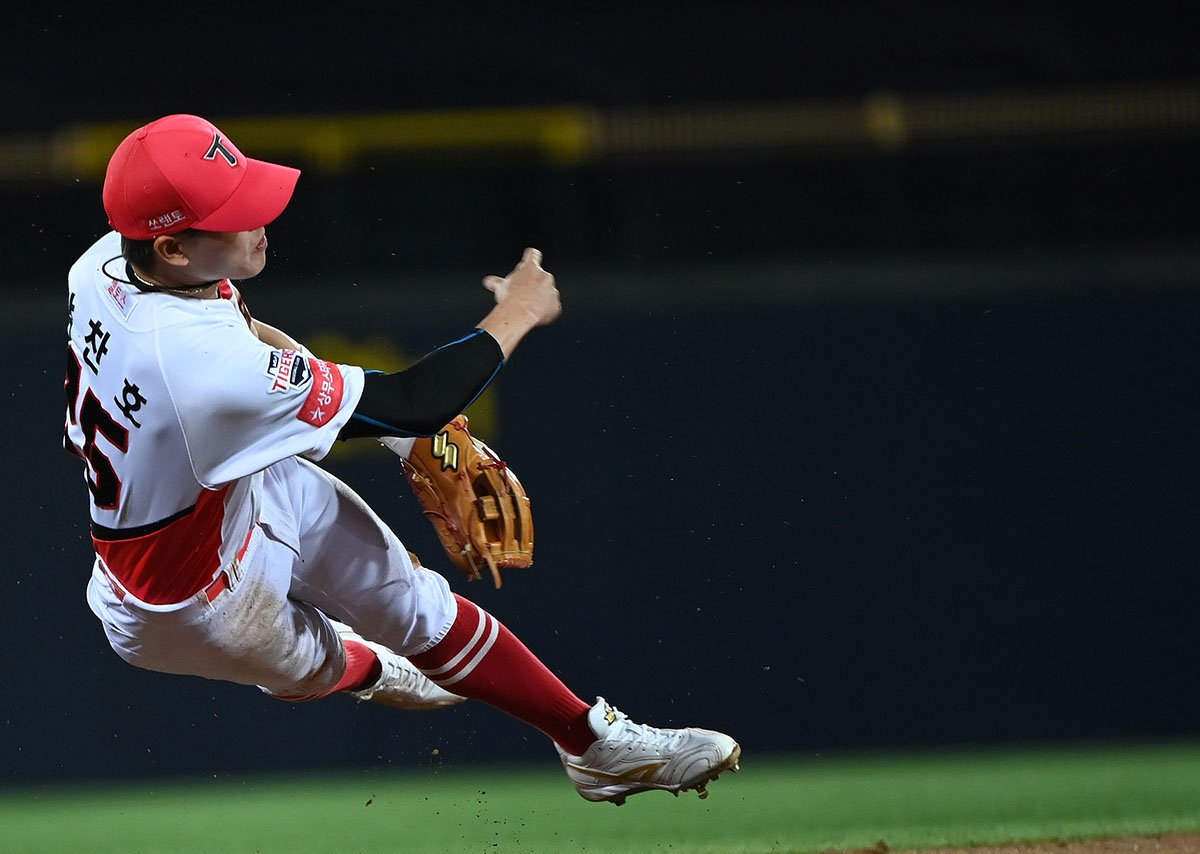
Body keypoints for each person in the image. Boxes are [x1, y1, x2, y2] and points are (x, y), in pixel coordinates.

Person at [64, 113, 740, 805]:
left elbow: (236, 332)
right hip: (185, 603)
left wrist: (404, 435)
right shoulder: (196, 366)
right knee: (327, 663)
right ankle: (373, 667)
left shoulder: (106, 265)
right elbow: (413, 398)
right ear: (173, 246)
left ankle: (594, 745)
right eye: (234, 213)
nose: (261, 216)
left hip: (238, 489)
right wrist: (517, 312)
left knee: (422, 608)